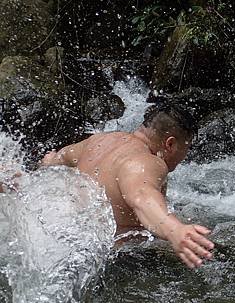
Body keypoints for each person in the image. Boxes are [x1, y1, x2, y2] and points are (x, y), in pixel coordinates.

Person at [40, 102, 214, 269]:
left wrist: (48, 162)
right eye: (187, 147)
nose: (185, 156)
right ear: (170, 144)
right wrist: (174, 230)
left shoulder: (98, 141)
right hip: (98, 257)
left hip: (52, 233)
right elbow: (141, 195)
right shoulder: (147, 162)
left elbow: (56, 159)